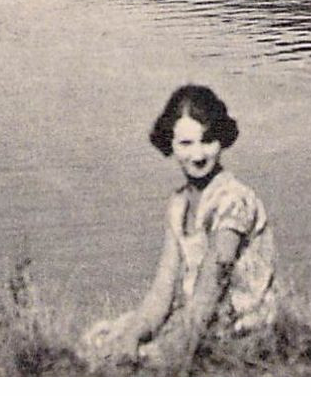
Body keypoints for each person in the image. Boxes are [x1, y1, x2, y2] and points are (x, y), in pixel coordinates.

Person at [81, 85, 276, 372]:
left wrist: (172, 347)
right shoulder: (178, 204)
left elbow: (211, 287)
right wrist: (133, 335)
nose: (198, 155)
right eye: (186, 144)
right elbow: (163, 289)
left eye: (207, 141)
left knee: (145, 363)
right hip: (195, 317)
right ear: (169, 144)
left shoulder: (233, 200)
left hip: (239, 328)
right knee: (99, 340)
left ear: (222, 140)